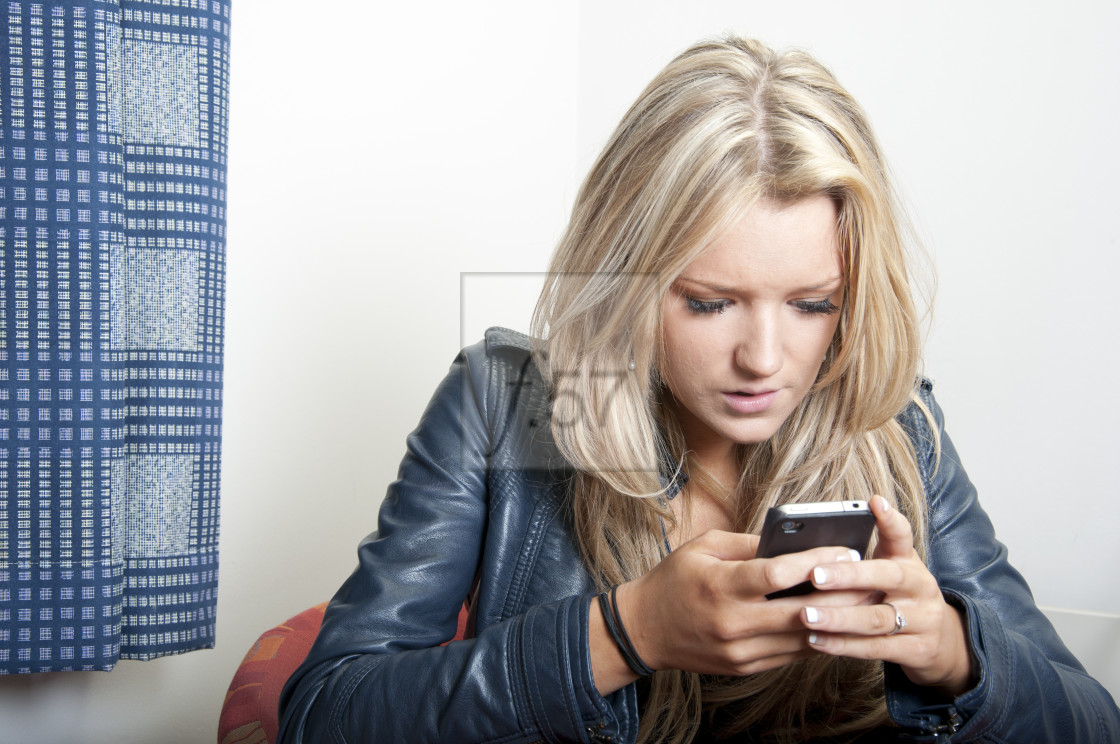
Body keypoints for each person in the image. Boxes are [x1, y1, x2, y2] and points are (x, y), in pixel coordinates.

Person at [277, 36, 1120, 743]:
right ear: (626, 281)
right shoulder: (504, 409)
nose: (764, 359)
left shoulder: (900, 427)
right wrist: (624, 632)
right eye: (710, 302)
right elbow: (324, 714)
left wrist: (955, 655)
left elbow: (1092, 720)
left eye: (812, 304)